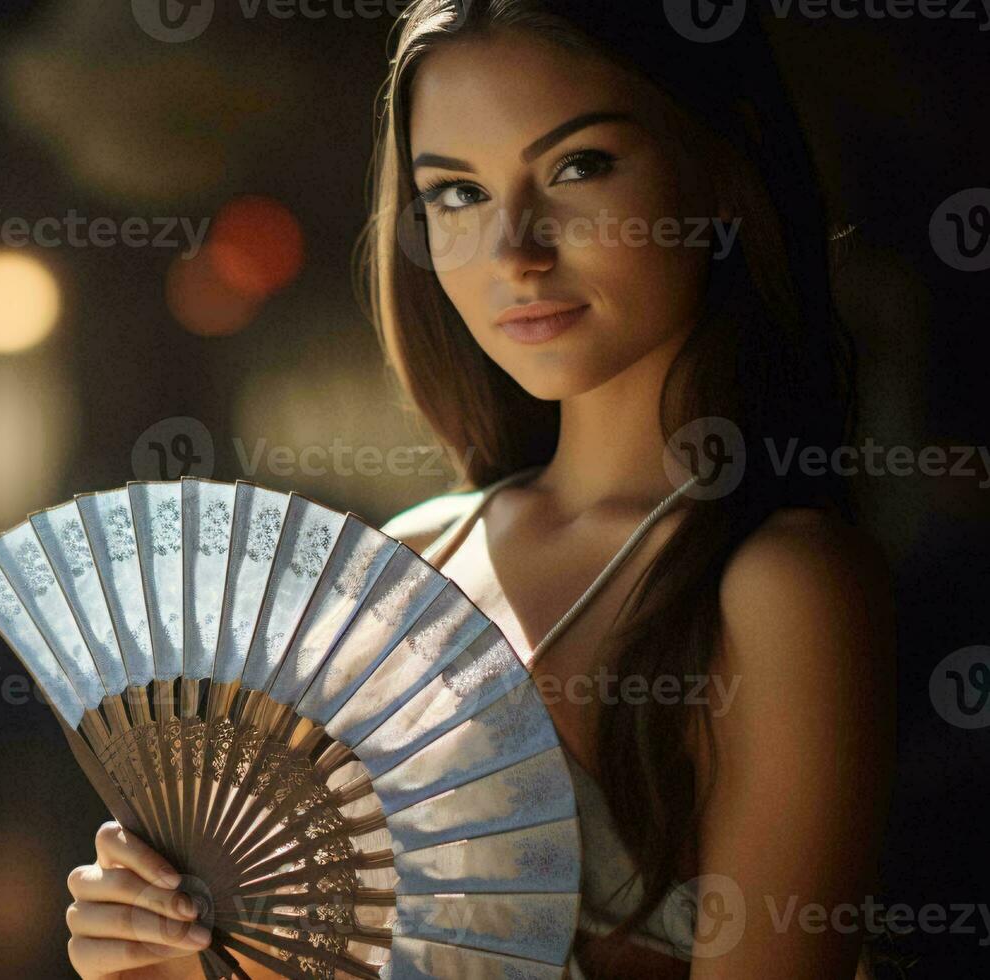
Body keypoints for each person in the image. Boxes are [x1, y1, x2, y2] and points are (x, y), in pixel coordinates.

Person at [65, 2, 893, 977]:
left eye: (580, 167)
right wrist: (168, 951)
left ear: (717, 168)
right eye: (455, 193)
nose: (515, 251)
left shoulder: (777, 586)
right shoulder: (407, 559)